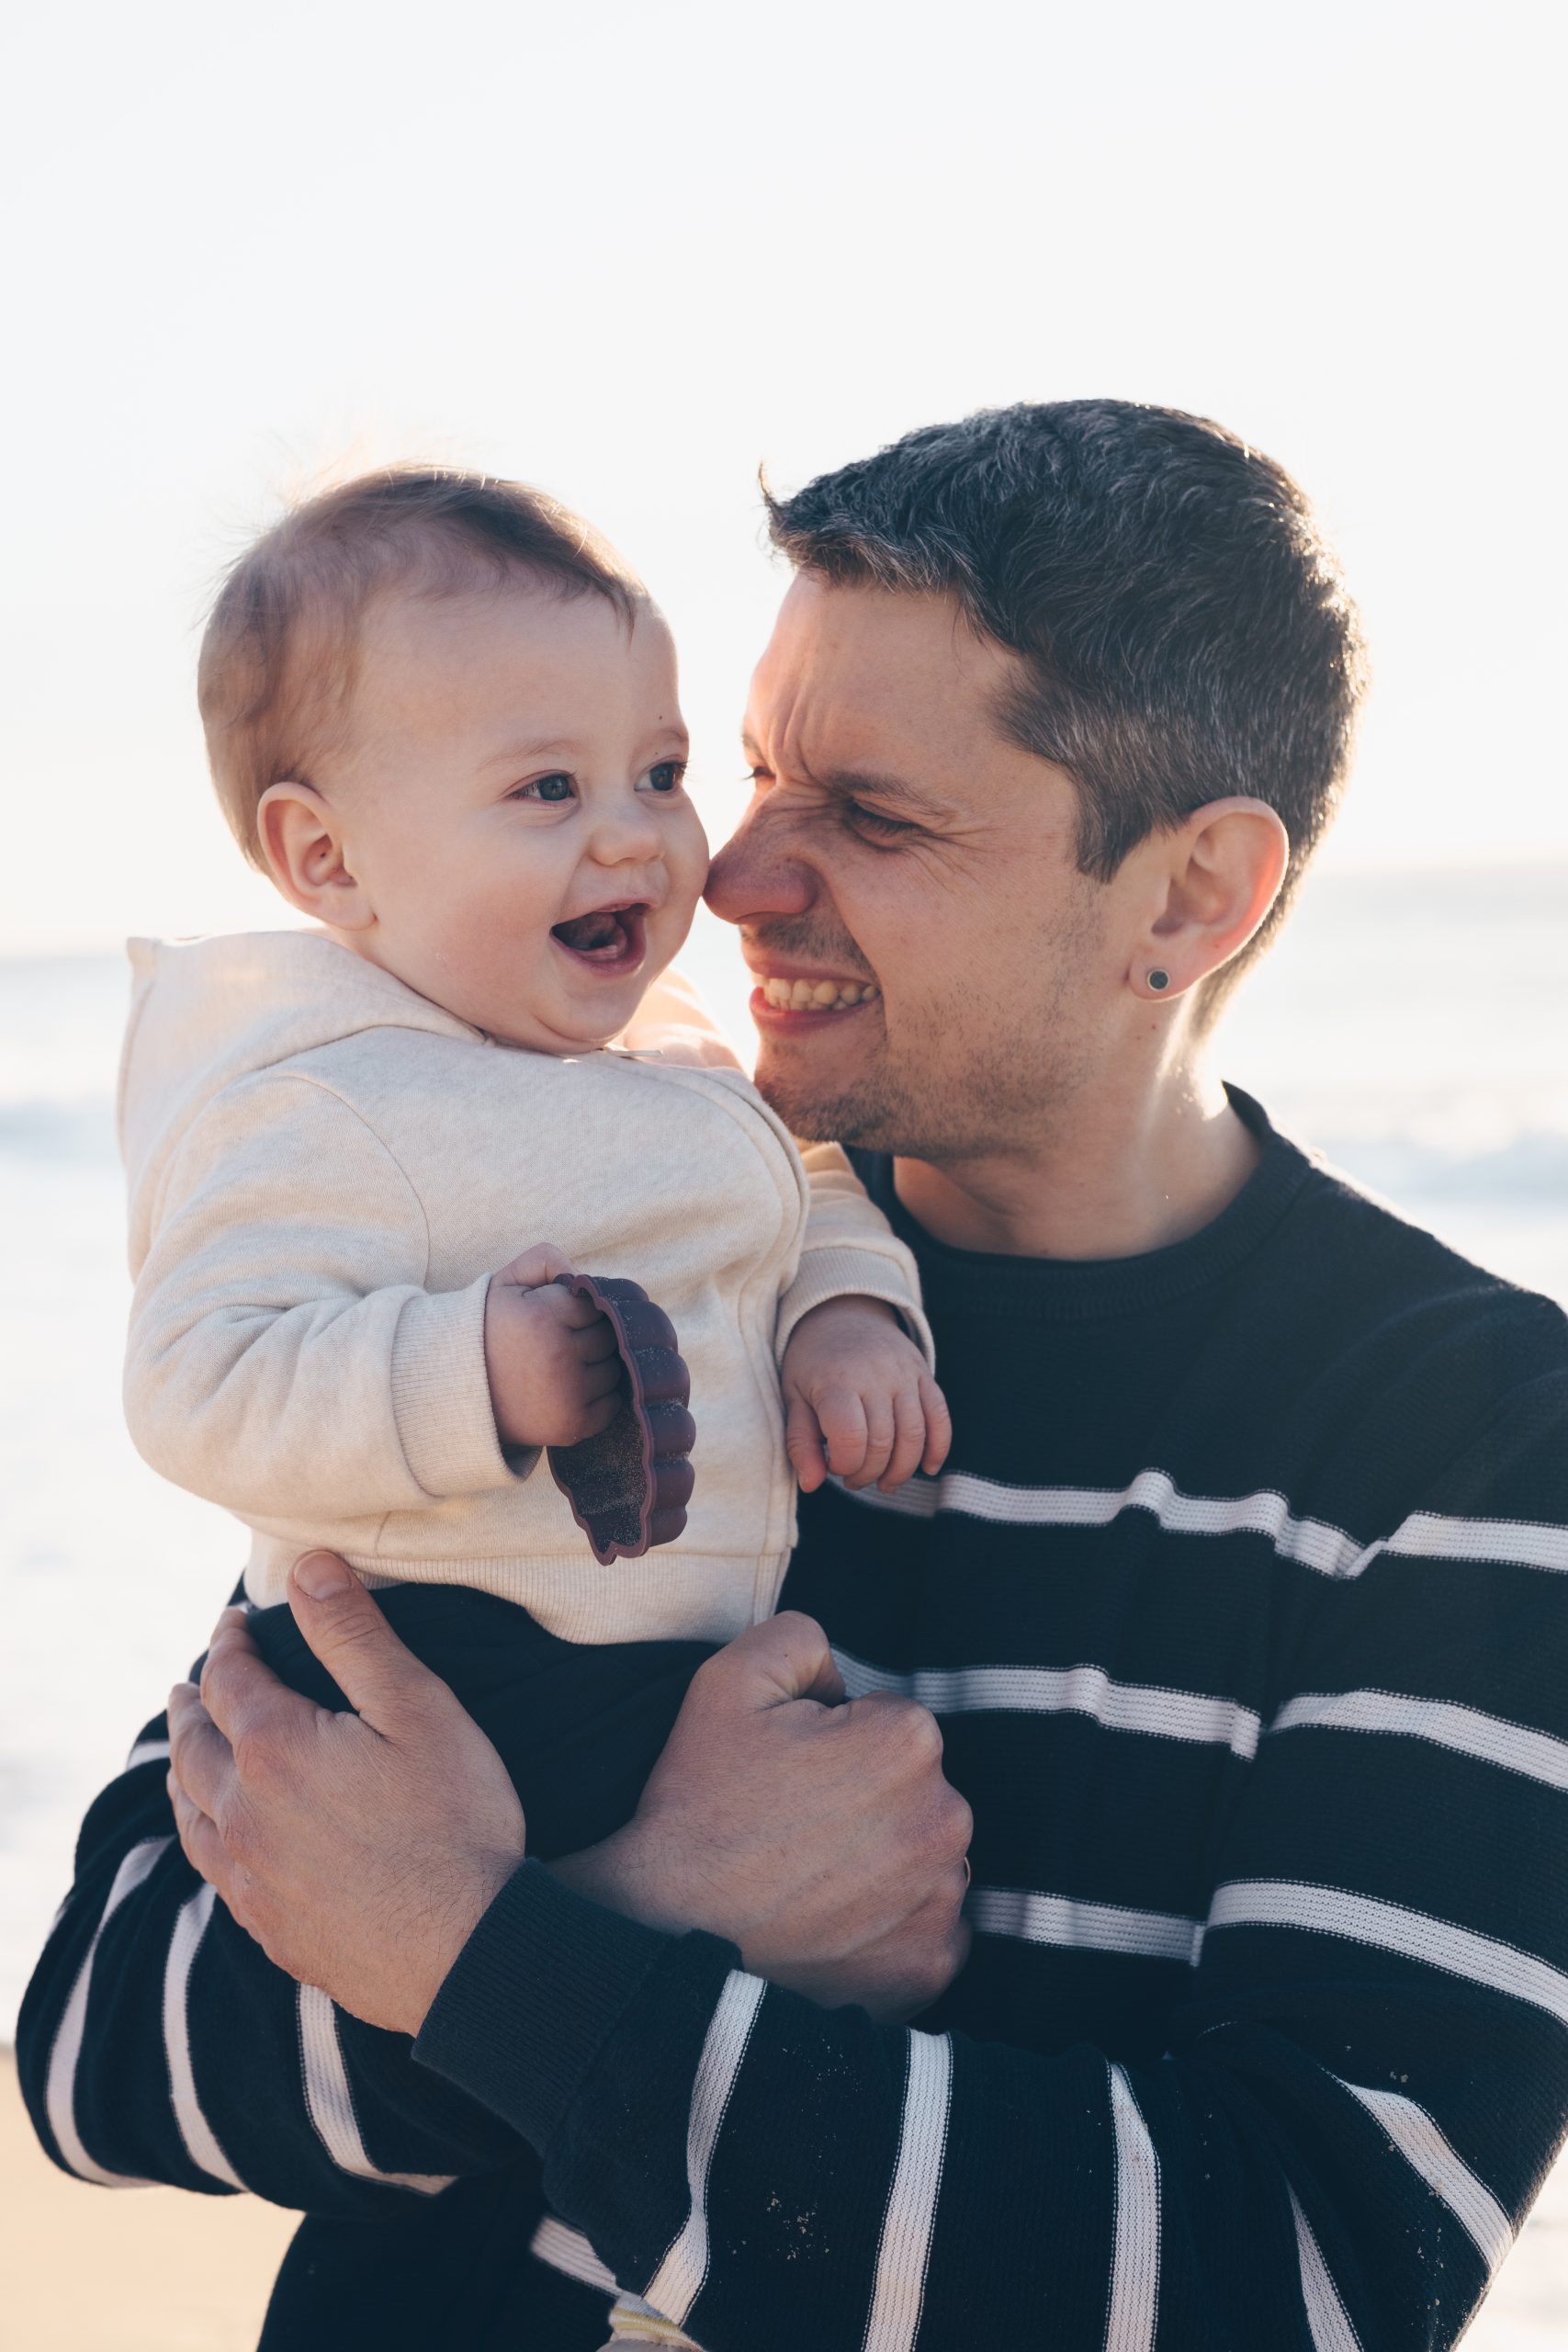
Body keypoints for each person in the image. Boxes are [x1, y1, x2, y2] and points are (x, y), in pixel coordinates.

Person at [20, 401, 1568, 2352]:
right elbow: (99, 2038)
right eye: (744, 771)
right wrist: (652, 1902)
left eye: (871, 812)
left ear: (1183, 897)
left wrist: (496, 1961)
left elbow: (1305, 2274)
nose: (727, 870)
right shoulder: (599, 1241)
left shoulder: (1465, 1439)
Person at [118, 465, 947, 1870]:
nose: (634, 833)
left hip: (657, 1666)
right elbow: (195, 1381)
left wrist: (846, 1310)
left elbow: (796, 1188)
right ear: (327, 857)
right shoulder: (327, 1100)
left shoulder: (669, 1057)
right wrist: (471, 1376)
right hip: (445, 1667)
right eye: (547, 787)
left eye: (664, 775)